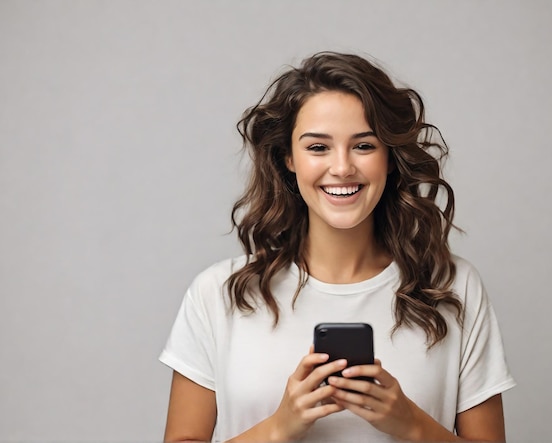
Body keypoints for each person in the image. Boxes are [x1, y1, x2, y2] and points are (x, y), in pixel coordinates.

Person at [159, 52, 516, 442]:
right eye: (318, 148)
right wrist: (280, 427)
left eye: (364, 146)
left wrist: (411, 423)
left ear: (390, 158)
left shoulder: (452, 288)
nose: (343, 168)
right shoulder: (218, 295)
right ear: (288, 159)